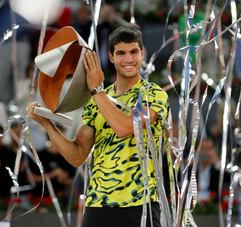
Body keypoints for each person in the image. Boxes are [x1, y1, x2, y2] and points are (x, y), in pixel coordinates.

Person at [27, 25, 169, 227]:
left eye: (134, 52)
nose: (129, 59)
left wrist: (96, 90)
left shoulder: (153, 94)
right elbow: (77, 156)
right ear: (111, 57)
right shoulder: (95, 101)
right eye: (121, 53)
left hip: (140, 205)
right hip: (98, 205)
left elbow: (126, 128)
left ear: (142, 53)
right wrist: (48, 125)